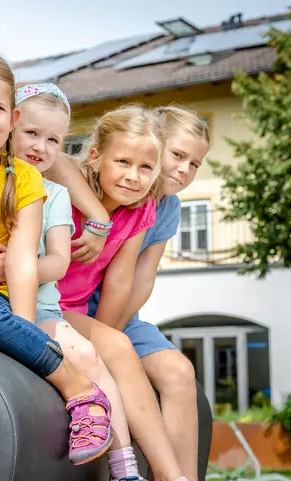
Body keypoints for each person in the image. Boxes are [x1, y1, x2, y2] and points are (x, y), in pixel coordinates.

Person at [0, 52, 112, 465]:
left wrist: (25, 331)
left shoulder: (23, 178)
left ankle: (81, 390)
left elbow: (22, 261)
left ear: (9, 119)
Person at [0, 82, 145, 480]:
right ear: (10, 126)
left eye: (54, 140)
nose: (41, 147)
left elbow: (58, 263)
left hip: (41, 308)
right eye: (32, 133)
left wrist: (11, 268)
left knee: (86, 355)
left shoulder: (54, 194)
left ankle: (124, 465)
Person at [84, 105, 210, 481]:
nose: (185, 170)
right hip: (79, 302)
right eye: (177, 156)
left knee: (179, 371)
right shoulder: (120, 191)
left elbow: (139, 280)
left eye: (195, 164)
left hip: (120, 312)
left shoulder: (166, 207)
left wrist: (112, 329)